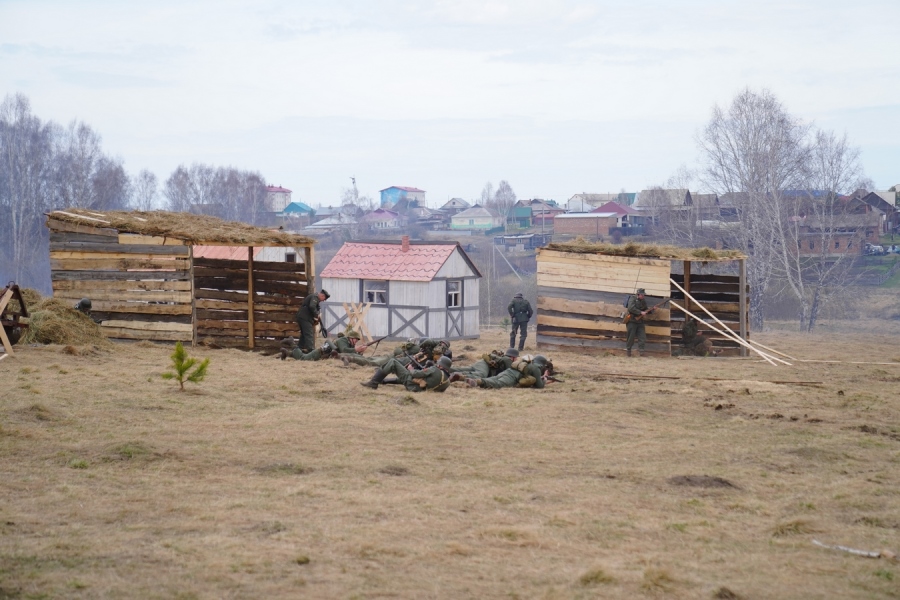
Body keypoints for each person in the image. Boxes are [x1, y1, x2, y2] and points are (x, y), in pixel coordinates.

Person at [360, 355, 452, 392]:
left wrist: (411, 369)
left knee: (393, 362)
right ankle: (383, 381)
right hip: (418, 389)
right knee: (406, 378)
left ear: (441, 365)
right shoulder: (447, 382)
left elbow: (415, 375)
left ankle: (373, 383)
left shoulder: (435, 370)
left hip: (411, 384)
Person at [465, 354, 550, 389]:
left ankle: (465, 378)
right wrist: (545, 379)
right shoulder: (536, 368)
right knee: (498, 384)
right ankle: (478, 382)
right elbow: (539, 386)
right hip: (512, 378)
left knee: (494, 378)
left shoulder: (523, 362)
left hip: (507, 372)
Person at [449, 348, 517, 380]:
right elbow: (510, 372)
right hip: (484, 365)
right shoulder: (508, 360)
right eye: (516, 358)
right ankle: (458, 375)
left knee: (464, 369)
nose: (516, 359)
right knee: (481, 375)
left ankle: (444, 369)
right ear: (512, 357)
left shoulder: (503, 358)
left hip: (481, 363)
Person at [625, 288, 650, 357]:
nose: (643, 296)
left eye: (643, 295)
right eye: (642, 295)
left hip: (640, 321)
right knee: (631, 336)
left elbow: (646, 309)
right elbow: (631, 308)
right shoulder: (632, 299)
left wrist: (652, 310)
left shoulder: (643, 301)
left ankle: (642, 352)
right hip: (632, 320)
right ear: (638, 294)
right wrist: (640, 312)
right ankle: (628, 351)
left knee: (642, 337)